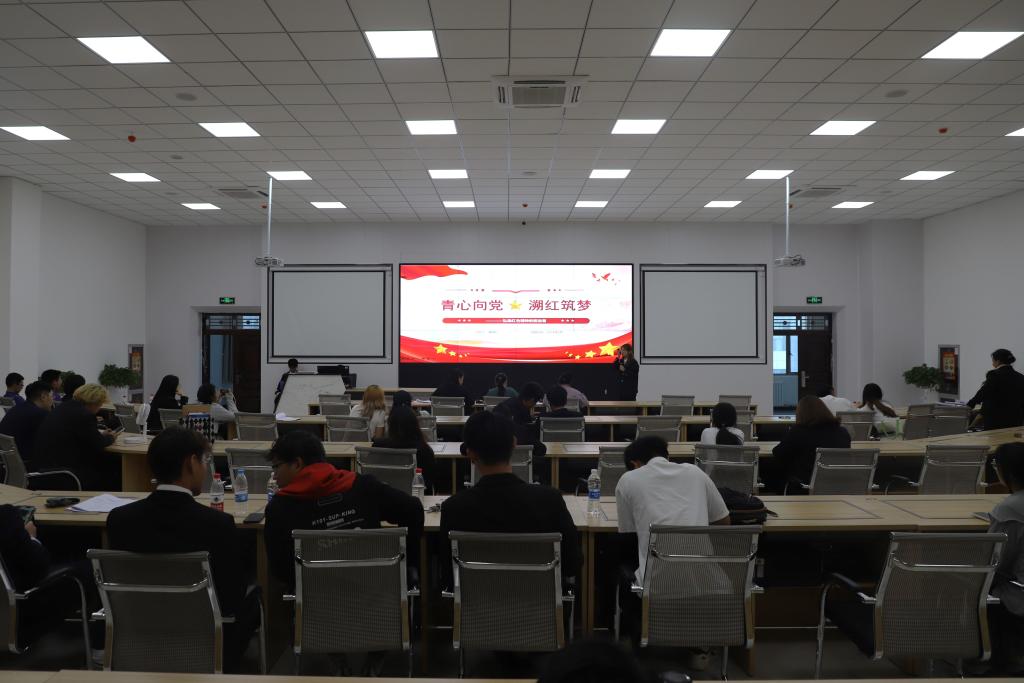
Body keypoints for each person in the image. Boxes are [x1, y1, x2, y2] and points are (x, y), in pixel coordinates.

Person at [107, 427, 259, 673]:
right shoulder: (217, 524)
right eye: (205, 461)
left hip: (139, 632)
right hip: (205, 639)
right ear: (191, 463)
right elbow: (232, 596)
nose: (206, 469)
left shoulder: (119, 520)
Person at [263, 430, 424, 590]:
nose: (274, 476)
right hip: (376, 595)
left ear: (297, 464)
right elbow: (413, 508)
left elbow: (280, 572)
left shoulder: (279, 508)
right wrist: (407, 565)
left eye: (276, 466)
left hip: (317, 600)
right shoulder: (363, 487)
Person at [439, 411, 581, 589]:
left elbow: (448, 573)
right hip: (539, 602)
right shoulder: (550, 500)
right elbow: (572, 563)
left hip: (478, 603)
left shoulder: (453, 508)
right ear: (514, 444)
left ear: (470, 453)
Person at [615, 435, 729, 646]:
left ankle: (634, 636)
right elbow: (723, 521)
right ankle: (698, 641)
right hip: (705, 577)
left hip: (656, 580)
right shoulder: (695, 472)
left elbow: (628, 534)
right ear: (666, 456)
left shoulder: (629, 479)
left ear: (635, 463)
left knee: (618, 562)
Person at [33, 384, 117, 490]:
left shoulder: (62, 407)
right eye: (100, 404)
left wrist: (98, 435)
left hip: (45, 468)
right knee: (115, 465)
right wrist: (111, 437)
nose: (99, 407)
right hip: (68, 473)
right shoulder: (84, 415)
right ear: (94, 403)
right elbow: (98, 444)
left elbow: (78, 434)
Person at [765, 395, 851, 494]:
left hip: (803, 487)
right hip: (837, 486)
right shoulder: (842, 432)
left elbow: (778, 453)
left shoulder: (798, 432)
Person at [989, 442, 1024, 672]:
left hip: (1017, 598)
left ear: (1007, 472)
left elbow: (993, 561)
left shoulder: (1009, 509)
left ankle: (990, 663)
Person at [373, 405, 436, 491]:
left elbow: (372, 474)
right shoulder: (424, 450)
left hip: (384, 495)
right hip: (415, 496)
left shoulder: (378, 446)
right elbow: (429, 482)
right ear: (415, 425)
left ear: (390, 425)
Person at [968, 349, 1024, 430]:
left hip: (996, 419)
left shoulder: (994, 374)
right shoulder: (1021, 377)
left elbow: (984, 392)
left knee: (994, 438)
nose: (992, 363)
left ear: (997, 361)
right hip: (1015, 420)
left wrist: (970, 405)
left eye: (993, 360)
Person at [0, 380, 54, 459]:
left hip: (7, 460)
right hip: (26, 462)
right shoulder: (40, 414)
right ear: (43, 397)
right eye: (51, 396)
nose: (52, 400)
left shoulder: (16, 408)